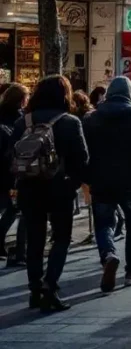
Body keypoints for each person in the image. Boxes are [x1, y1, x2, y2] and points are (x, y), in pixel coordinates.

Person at [10, 75, 89, 311]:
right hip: (59, 188)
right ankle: (50, 284)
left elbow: (10, 156)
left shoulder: (23, 122)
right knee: (61, 237)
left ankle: (34, 289)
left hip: (29, 188)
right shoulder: (70, 122)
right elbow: (82, 158)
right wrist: (74, 183)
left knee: (34, 239)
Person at [82, 76, 131, 293]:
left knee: (103, 224)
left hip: (101, 181)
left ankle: (108, 255)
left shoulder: (90, 118)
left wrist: (89, 176)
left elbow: (83, 151)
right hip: (130, 182)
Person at [0, 83, 29, 264]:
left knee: (10, 208)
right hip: (12, 171)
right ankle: (18, 250)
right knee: (15, 208)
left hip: (2, 170)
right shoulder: (21, 120)